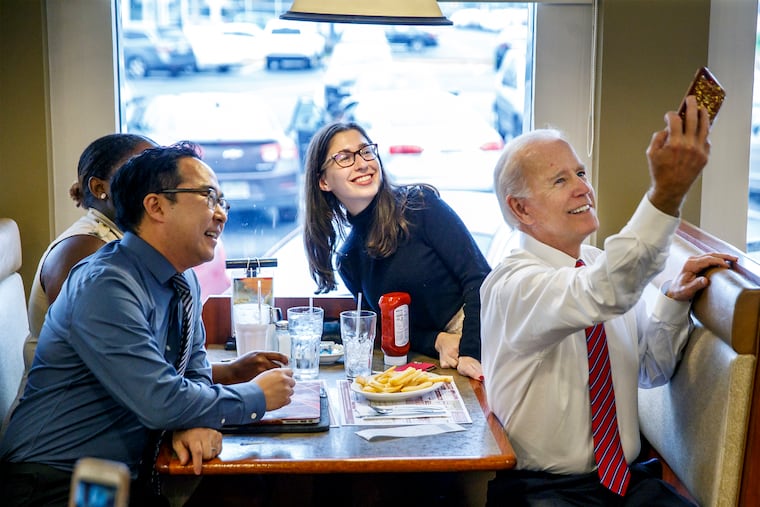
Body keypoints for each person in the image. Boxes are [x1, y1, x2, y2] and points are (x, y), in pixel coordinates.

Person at [0, 142, 295, 506]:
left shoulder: (183, 280)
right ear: (155, 206)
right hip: (57, 481)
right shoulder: (105, 284)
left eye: (223, 202)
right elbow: (161, 400)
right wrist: (257, 396)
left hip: (121, 475)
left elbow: (194, 370)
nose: (220, 214)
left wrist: (194, 422)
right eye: (207, 197)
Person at [480, 96, 737, 506]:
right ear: (520, 209)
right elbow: (603, 292)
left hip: (628, 483)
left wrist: (672, 301)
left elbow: (651, 370)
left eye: (580, 173)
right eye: (560, 180)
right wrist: (665, 195)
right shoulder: (513, 284)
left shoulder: (596, 264)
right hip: (542, 491)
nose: (584, 187)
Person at [303, 121, 490, 380]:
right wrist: (437, 340)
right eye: (345, 158)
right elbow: (387, 327)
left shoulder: (420, 206)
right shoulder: (349, 259)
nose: (362, 163)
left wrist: (471, 351)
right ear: (323, 181)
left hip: (484, 340)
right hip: (440, 360)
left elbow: (480, 279)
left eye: (366, 151)